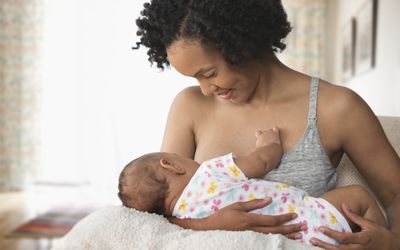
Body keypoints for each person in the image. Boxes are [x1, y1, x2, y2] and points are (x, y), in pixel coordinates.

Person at [133, 0, 400, 248]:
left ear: (241, 41)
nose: (204, 90)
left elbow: (395, 195)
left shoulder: (337, 108)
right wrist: (208, 225)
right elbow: (156, 211)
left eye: (210, 73)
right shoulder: (189, 107)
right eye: (195, 78)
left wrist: (392, 243)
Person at [118, 128, 387, 246]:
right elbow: (262, 161)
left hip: (294, 243)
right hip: (311, 218)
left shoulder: (182, 220)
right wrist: (269, 142)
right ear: (171, 165)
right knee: (358, 196)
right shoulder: (209, 171)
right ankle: (373, 237)